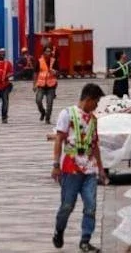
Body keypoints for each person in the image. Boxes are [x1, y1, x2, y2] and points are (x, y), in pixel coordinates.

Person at [51, 83, 107, 252]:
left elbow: (95, 145)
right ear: (88, 99)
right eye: (96, 102)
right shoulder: (67, 114)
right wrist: (55, 165)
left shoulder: (94, 120)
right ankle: (59, 230)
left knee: (90, 206)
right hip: (70, 169)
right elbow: (59, 139)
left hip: (89, 170)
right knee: (67, 205)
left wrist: (101, 169)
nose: (96, 106)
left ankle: (85, 240)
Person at [35, 45, 59, 124]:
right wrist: (34, 84)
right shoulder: (39, 61)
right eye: (47, 51)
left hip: (51, 85)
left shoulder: (54, 61)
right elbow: (35, 73)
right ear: (44, 52)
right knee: (38, 100)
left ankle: (47, 118)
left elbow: (58, 72)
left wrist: (55, 72)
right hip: (41, 85)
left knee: (50, 103)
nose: (48, 53)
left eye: (49, 51)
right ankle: (42, 112)